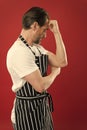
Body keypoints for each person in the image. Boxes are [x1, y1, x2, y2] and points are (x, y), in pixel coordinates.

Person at [6, 7, 68, 130]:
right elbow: (40, 86)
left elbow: (61, 61)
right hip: (26, 113)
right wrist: (55, 73)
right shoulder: (20, 51)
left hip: (41, 109)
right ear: (34, 26)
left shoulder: (36, 48)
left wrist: (57, 32)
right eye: (44, 30)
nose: (45, 35)